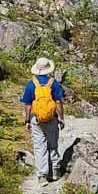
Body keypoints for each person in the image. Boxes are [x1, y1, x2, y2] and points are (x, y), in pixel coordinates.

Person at [21, 56, 65, 185]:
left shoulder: (31, 85)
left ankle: (42, 176)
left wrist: (27, 120)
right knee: (53, 145)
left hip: (37, 120)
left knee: (40, 147)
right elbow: (58, 102)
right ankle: (55, 171)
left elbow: (28, 105)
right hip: (52, 119)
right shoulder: (54, 83)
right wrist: (61, 118)